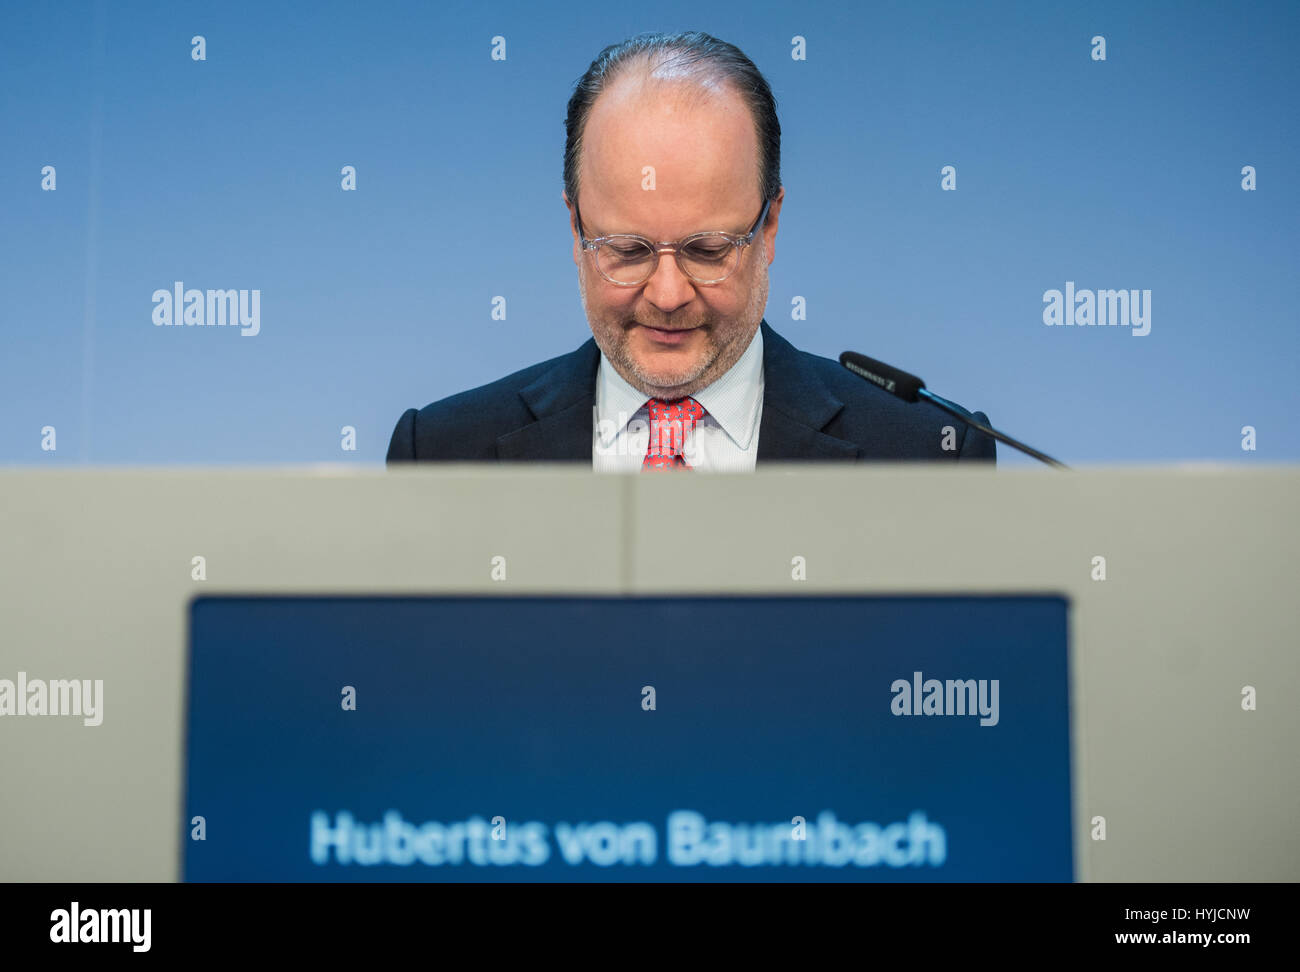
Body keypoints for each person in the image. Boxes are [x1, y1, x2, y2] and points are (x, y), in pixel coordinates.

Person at [387, 31, 995, 470]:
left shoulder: (928, 454)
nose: (669, 295)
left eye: (707, 250)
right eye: (628, 249)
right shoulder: (440, 453)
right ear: (575, 232)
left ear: (772, 225)